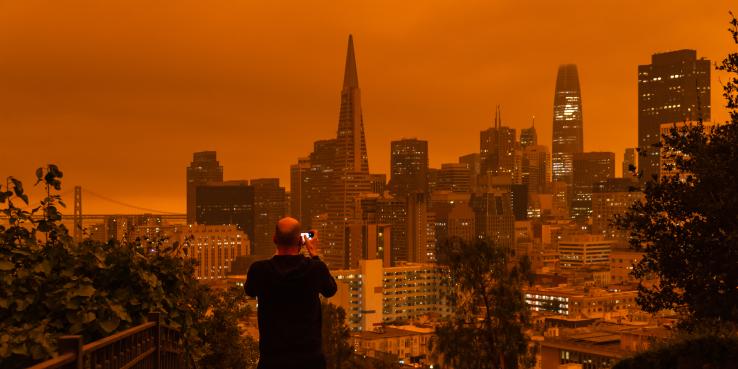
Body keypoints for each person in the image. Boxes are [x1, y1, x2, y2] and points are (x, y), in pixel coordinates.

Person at [244, 217, 338, 369]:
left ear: (274, 239)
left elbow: (249, 290)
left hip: (272, 360)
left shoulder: (259, 270)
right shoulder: (315, 269)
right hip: (310, 360)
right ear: (301, 241)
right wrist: (314, 253)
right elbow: (330, 290)